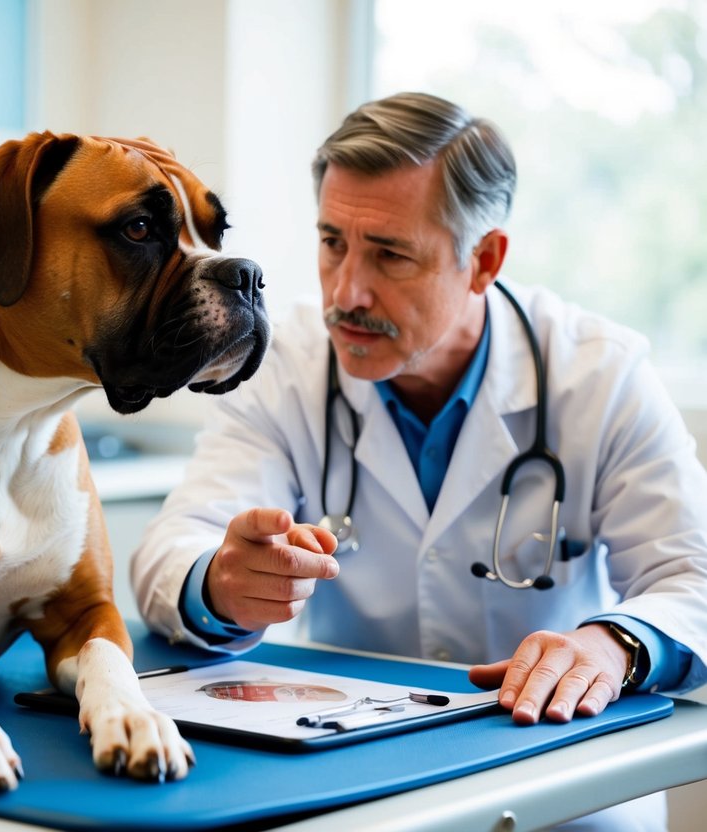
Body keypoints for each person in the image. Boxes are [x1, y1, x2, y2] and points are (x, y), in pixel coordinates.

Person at [132, 92, 707, 830]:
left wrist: (613, 646)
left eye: (390, 254)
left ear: (483, 260)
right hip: (365, 788)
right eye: (332, 242)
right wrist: (217, 580)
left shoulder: (598, 374)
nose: (346, 292)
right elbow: (170, 548)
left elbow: (692, 578)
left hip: (560, 789)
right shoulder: (290, 367)